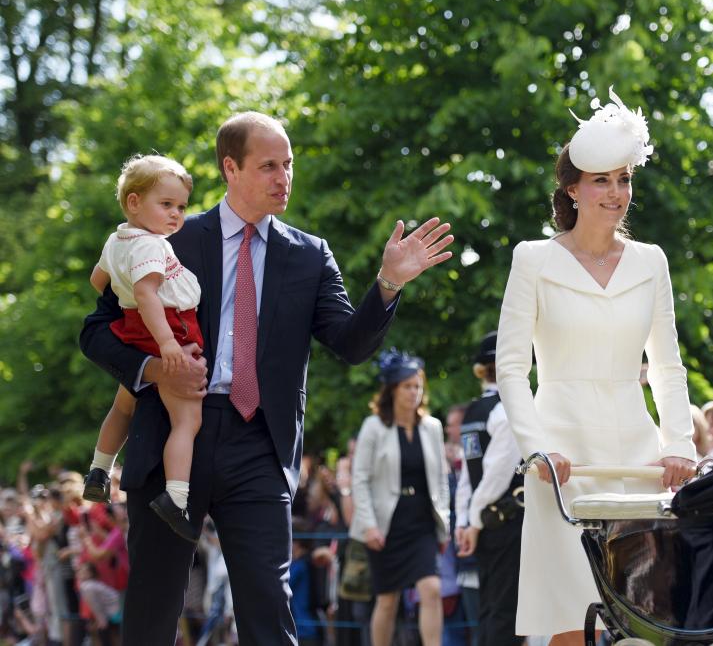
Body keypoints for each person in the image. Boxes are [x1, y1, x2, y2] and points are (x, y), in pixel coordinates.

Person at [79, 111, 453, 645]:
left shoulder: (309, 255)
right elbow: (95, 331)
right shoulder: (172, 238)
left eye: (289, 165)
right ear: (231, 168)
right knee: (153, 610)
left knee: (269, 613)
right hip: (171, 436)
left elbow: (350, 345)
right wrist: (156, 368)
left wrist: (388, 284)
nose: (284, 178)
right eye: (269, 166)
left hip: (261, 444)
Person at [495, 86, 697, 645]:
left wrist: (679, 442)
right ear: (573, 189)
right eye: (602, 180)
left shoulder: (651, 262)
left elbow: (668, 366)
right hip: (560, 457)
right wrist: (536, 447)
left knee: (648, 618)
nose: (616, 192)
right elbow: (511, 366)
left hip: (638, 454)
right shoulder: (532, 259)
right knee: (567, 620)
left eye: (624, 178)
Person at [81, 155, 202, 542]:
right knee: (187, 419)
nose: (176, 215)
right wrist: (168, 343)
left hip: (133, 329)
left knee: (123, 405)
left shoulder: (117, 240)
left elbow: (97, 280)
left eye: (181, 207)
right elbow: (149, 293)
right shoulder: (151, 245)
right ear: (134, 202)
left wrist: (125, 294)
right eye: (166, 205)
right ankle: (176, 497)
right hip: (168, 330)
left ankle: (100, 468)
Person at [348, 349, 450, 646]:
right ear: (392, 389)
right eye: (407, 386)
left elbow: (441, 481)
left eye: (418, 386)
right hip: (385, 524)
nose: (414, 392)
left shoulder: (432, 427)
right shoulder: (374, 427)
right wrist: (368, 525)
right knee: (388, 599)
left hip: (422, 522)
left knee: (431, 589)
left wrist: (444, 521)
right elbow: (360, 479)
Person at [455, 332, 524, 646]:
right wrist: (474, 521)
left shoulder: (471, 413)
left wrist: (465, 522)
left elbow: (468, 477)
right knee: (506, 611)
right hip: (505, 522)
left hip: (482, 525)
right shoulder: (508, 410)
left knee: (488, 606)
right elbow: (496, 474)